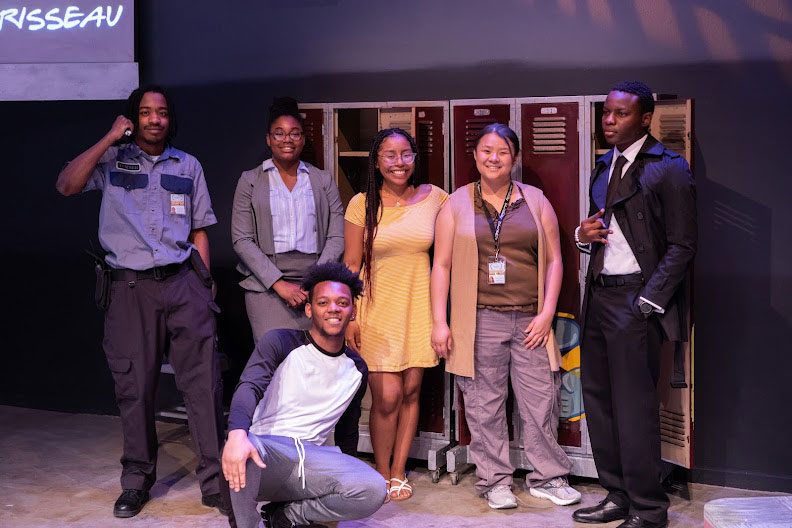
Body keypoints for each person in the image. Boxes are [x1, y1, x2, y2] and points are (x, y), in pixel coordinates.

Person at [56, 85, 227, 517]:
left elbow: (200, 229)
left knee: (204, 386)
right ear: (133, 118)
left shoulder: (188, 165)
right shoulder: (112, 159)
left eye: (162, 113)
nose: (155, 120)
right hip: (130, 290)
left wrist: (204, 287)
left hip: (184, 284)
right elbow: (66, 185)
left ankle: (215, 481)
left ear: (171, 119)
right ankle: (136, 480)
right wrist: (109, 139)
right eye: (146, 113)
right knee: (134, 389)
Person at [430, 123, 581, 510]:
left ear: (514, 158)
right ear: (476, 156)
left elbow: (555, 262)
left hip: (531, 320)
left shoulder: (535, 200)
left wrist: (547, 312)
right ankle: (495, 480)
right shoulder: (456, 204)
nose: (493, 158)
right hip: (478, 320)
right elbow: (442, 266)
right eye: (485, 150)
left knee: (540, 401)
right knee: (483, 405)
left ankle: (548, 477)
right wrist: (440, 321)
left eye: (501, 151)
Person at [571, 81, 697, 528]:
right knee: (600, 403)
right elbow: (599, 234)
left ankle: (648, 508)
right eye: (606, 113)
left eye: (620, 114)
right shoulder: (603, 166)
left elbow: (683, 245)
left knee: (634, 408)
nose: (609, 120)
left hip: (635, 300)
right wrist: (580, 239)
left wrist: (648, 301)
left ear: (645, 118)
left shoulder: (669, 167)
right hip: (600, 295)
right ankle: (617, 494)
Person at [222, 262, 386, 528]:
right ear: (309, 308)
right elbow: (248, 387)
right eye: (323, 302)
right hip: (266, 452)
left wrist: (347, 474)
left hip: (312, 460)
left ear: (352, 311)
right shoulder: (280, 342)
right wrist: (237, 434)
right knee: (242, 446)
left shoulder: (356, 369)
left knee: (374, 489)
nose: (333, 308)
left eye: (342, 303)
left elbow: (348, 429)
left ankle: (286, 515)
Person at [343, 128, 448, 501]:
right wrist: (350, 316)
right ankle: (381, 470)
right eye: (389, 155)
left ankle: (398, 471)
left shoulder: (435, 198)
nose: (399, 162)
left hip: (418, 307)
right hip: (375, 309)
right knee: (386, 396)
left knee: (411, 390)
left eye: (405, 154)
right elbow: (352, 263)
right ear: (376, 161)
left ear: (414, 158)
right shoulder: (361, 204)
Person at [232, 97, 344, 343]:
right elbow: (242, 240)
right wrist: (278, 283)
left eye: (294, 134)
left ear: (303, 139)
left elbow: (336, 237)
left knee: (317, 361)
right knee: (275, 363)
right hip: (266, 286)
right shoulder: (250, 181)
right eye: (279, 133)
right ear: (268, 139)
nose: (287, 139)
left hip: (316, 282)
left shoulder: (323, 181)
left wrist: (314, 280)